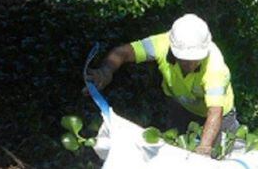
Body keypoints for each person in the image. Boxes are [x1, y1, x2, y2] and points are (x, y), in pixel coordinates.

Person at [85, 14, 237, 157]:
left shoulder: (215, 68)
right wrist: (106, 71)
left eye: (195, 59)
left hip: (220, 118)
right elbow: (123, 52)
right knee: (178, 151)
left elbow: (215, 112)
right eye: (184, 59)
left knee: (220, 157)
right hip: (180, 107)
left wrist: (203, 150)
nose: (189, 64)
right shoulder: (162, 44)